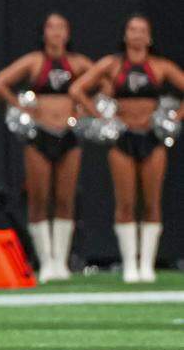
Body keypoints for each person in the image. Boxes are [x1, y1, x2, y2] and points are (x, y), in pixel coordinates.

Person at [69, 15, 184, 283]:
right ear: (125, 35)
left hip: (151, 138)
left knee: (152, 202)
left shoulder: (159, 66)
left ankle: (147, 264)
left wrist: (172, 119)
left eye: (142, 30)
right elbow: (77, 89)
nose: (137, 34)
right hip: (122, 138)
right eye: (132, 29)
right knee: (126, 202)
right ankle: (130, 263)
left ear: (149, 37)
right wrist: (101, 116)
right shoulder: (112, 64)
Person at [0, 13, 92, 281]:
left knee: (65, 198)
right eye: (51, 27)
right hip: (39, 134)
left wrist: (87, 110)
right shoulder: (35, 61)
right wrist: (20, 106)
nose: (56, 32)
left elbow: (105, 83)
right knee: (39, 197)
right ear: (44, 33)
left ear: (68, 33)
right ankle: (46, 261)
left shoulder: (79, 63)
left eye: (61, 27)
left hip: (68, 134)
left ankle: (61, 260)